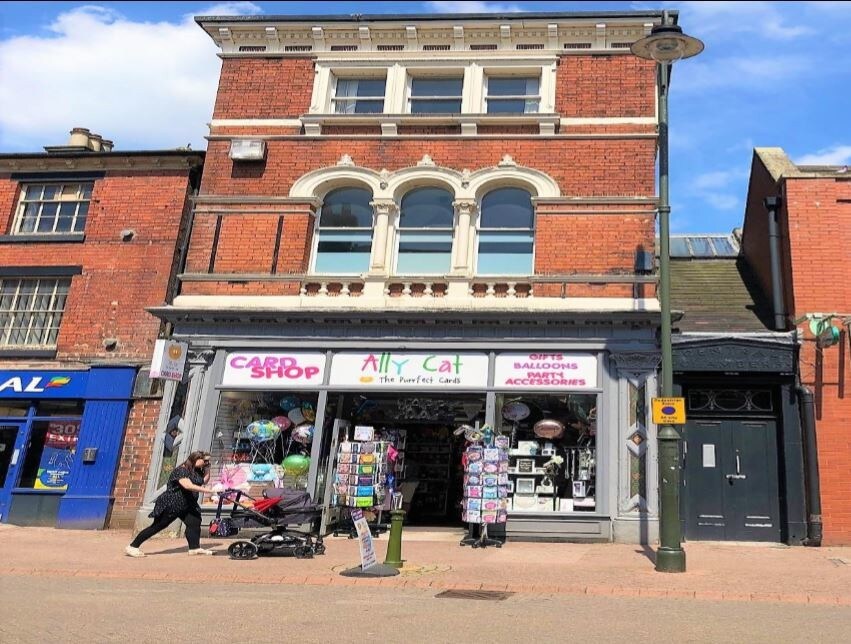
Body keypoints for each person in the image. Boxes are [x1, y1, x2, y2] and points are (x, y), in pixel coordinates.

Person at [125, 451, 217, 557]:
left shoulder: (195, 471)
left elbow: (203, 481)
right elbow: (187, 485)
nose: (206, 463)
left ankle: (194, 548)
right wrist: (209, 491)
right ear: (196, 459)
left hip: (187, 504)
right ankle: (133, 546)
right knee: (158, 525)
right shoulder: (181, 470)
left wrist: (207, 469)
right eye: (205, 461)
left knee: (194, 521)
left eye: (208, 462)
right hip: (172, 503)